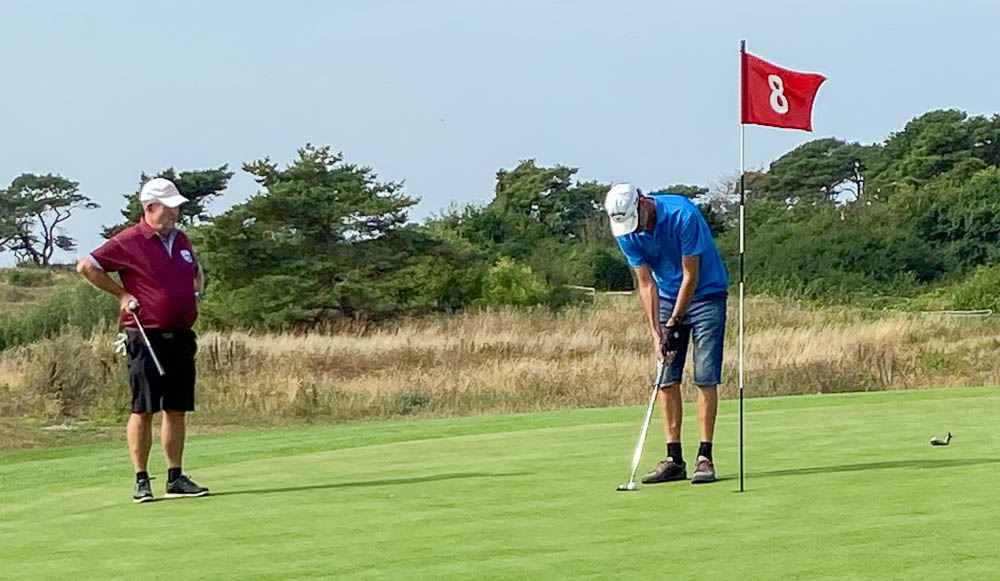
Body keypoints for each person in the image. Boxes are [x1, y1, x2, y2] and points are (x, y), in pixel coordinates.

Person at [76, 178, 209, 503]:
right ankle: (141, 480)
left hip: (180, 336)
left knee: (176, 408)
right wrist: (122, 294)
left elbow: (195, 270)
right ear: (150, 207)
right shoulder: (129, 240)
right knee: (144, 408)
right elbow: (87, 266)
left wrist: (197, 294)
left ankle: (175, 478)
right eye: (169, 207)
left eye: (177, 207)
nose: (175, 213)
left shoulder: (181, 239)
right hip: (145, 335)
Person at [605, 183, 728, 484]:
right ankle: (674, 459)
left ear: (642, 202)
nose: (637, 227)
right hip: (667, 298)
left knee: (705, 375)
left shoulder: (682, 215)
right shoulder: (625, 231)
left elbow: (691, 275)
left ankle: (705, 457)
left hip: (707, 294)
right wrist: (657, 333)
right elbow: (646, 284)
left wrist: (674, 322)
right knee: (665, 376)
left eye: (637, 219)